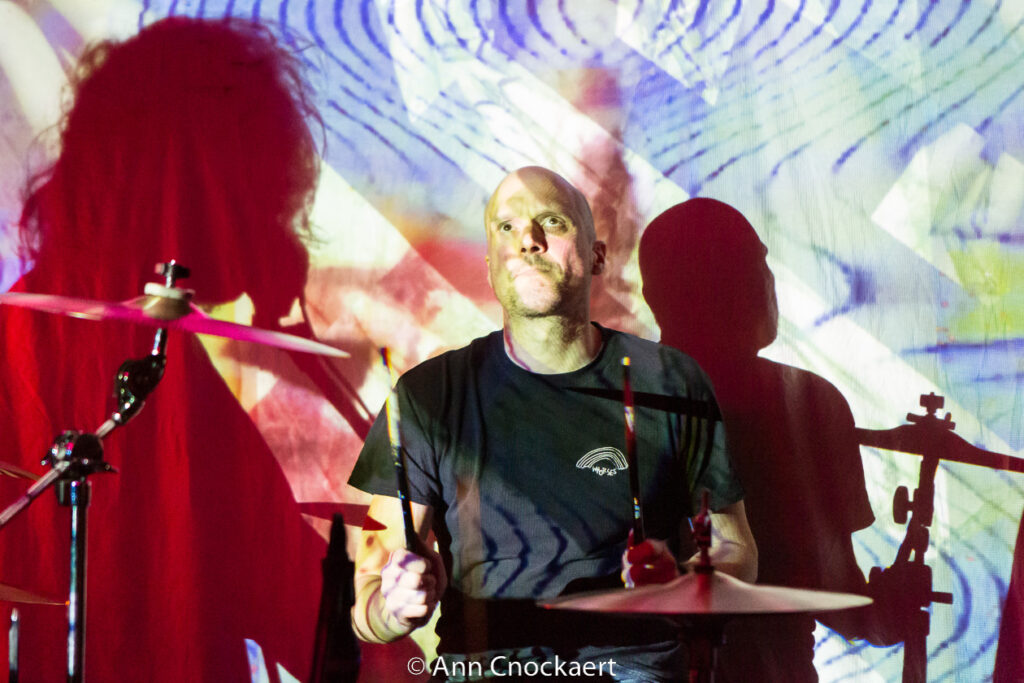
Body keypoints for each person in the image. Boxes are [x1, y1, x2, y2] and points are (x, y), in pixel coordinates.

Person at [0, 17, 327, 681]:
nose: (272, 213)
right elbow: (317, 618)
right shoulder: (154, 372)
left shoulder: (109, 342)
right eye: (257, 189)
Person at [348, 167, 757, 681]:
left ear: (598, 256)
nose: (529, 239)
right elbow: (367, 599)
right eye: (507, 227)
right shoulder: (428, 396)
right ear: (491, 266)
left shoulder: (671, 381)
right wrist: (393, 608)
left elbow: (734, 547)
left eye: (553, 222)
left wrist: (682, 584)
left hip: (631, 670)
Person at [638, 198, 892, 681]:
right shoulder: (808, 404)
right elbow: (838, 594)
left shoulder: (610, 405)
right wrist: (885, 614)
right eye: (750, 267)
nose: (765, 284)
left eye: (760, 266)